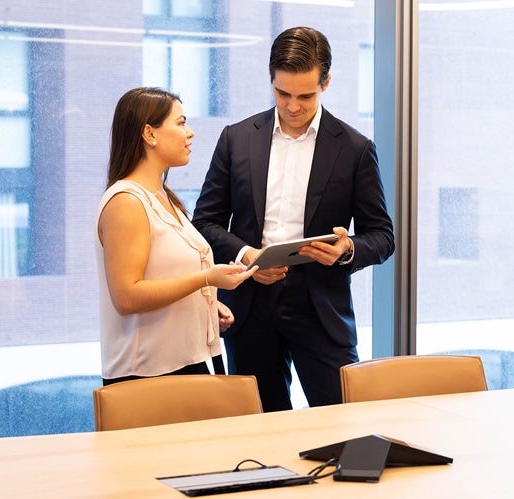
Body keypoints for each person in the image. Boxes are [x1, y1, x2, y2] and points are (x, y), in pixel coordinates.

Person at [192, 26, 395, 411]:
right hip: (250, 303)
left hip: (320, 306)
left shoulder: (354, 149)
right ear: (271, 79)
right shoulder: (236, 139)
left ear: (327, 83)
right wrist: (248, 254)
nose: (293, 106)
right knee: (260, 429)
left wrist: (348, 249)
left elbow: (383, 237)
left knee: (340, 421)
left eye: (306, 95)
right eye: (282, 93)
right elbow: (204, 223)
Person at [96, 87, 257, 386]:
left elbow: (164, 278)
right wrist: (207, 279)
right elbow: (127, 296)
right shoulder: (126, 202)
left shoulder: (163, 198)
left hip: (184, 364)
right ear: (149, 134)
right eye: (181, 123)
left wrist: (204, 304)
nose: (190, 133)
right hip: (146, 375)